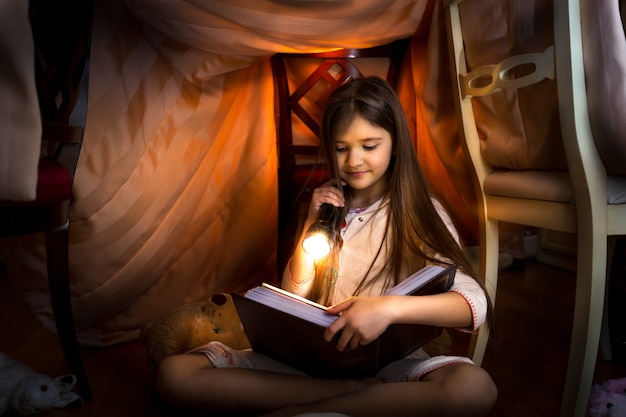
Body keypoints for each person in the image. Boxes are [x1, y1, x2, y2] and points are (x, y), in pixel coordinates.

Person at [156, 76, 498, 416]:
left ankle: (304, 410)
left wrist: (387, 309)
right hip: (313, 361)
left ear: (395, 143)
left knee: (474, 387)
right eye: (341, 148)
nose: (354, 161)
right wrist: (309, 226)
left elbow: (474, 303)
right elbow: (294, 296)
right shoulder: (327, 208)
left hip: (387, 364)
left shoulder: (418, 211)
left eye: (369, 145)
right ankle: (343, 398)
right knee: (175, 374)